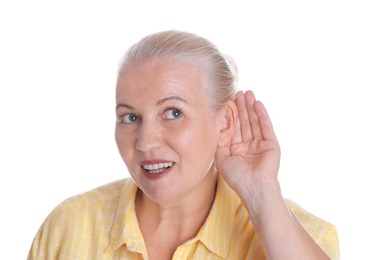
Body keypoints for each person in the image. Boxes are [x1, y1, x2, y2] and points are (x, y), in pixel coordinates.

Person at [28, 30, 339, 260]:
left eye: (173, 113)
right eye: (130, 117)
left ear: (226, 122)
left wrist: (260, 192)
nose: (146, 142)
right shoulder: (68, 225)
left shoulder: (307, 239)